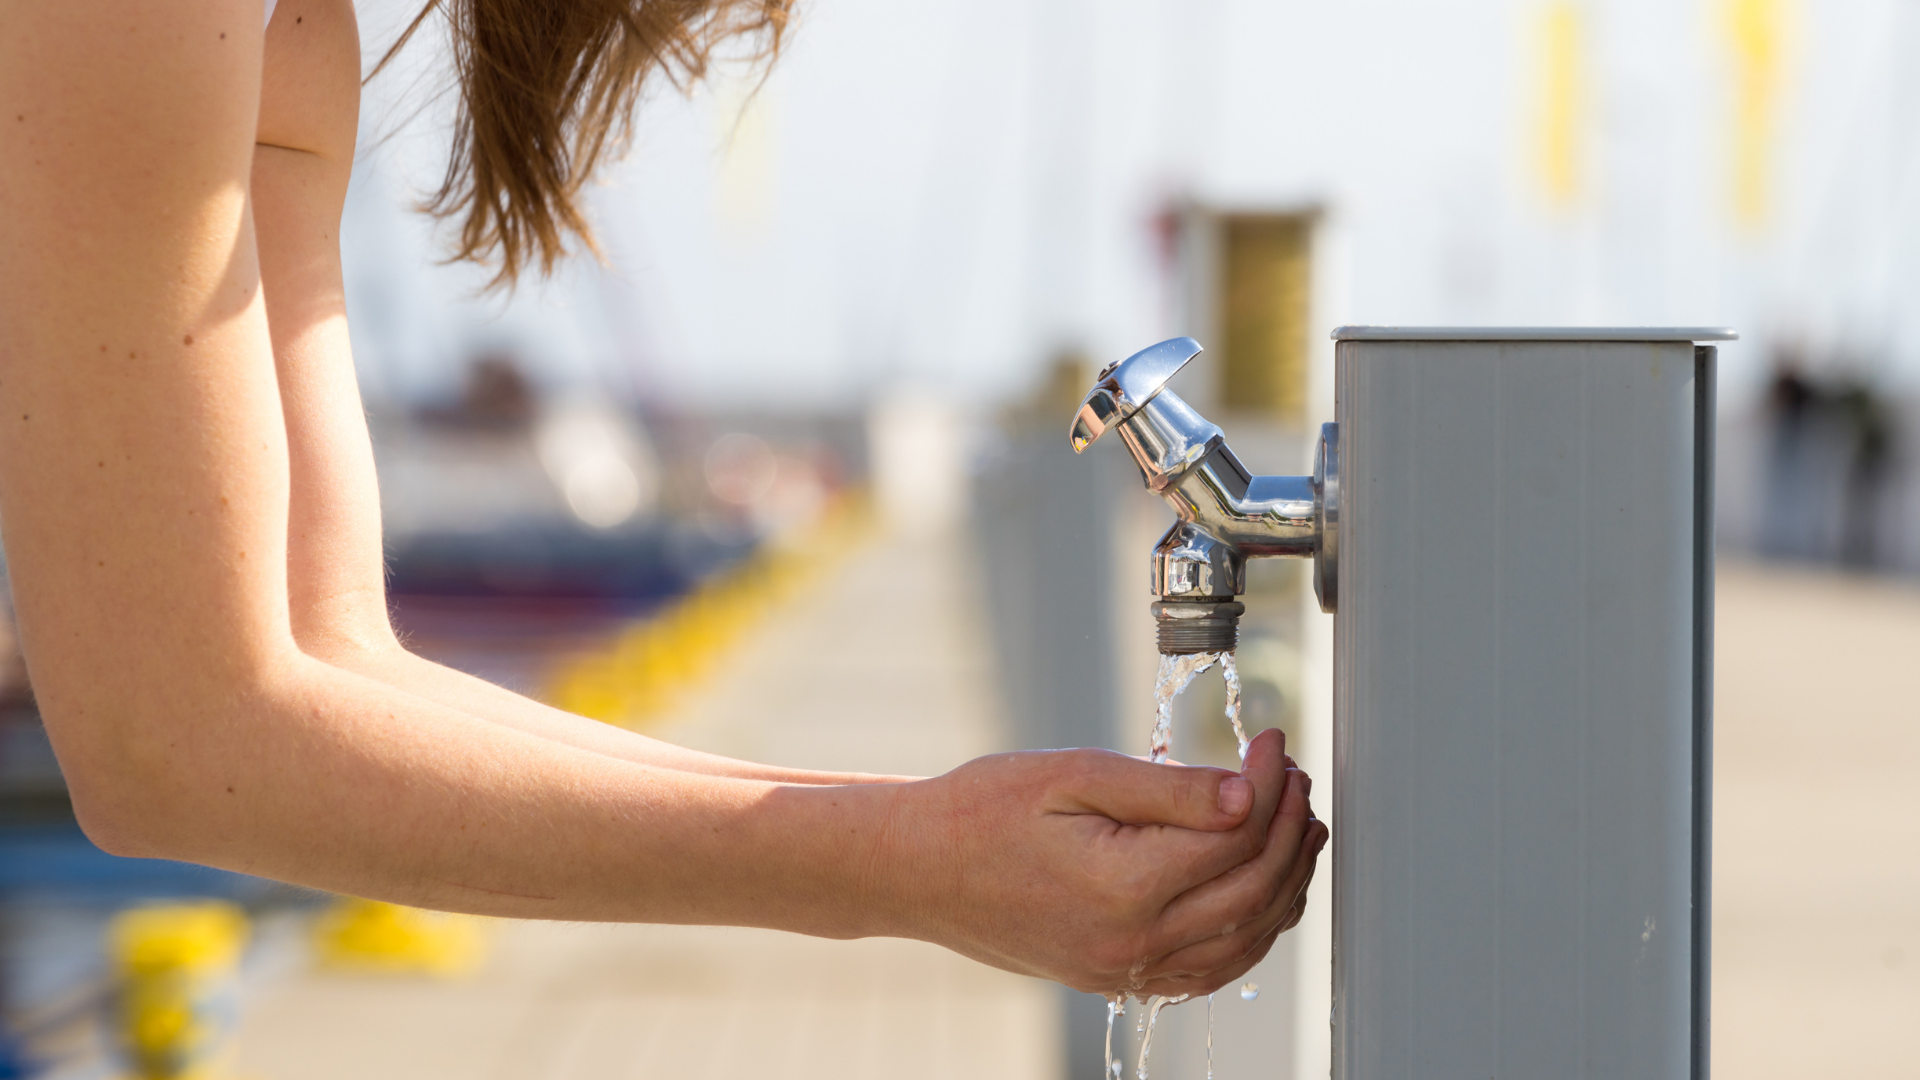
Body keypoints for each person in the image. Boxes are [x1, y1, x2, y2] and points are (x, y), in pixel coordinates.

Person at [0, 0, 1325, 998]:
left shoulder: (292, 37)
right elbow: (174, 742)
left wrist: (931, 827)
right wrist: (912, 862)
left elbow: (323, 653)